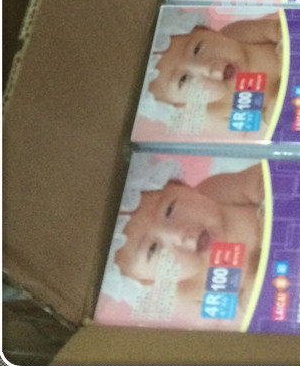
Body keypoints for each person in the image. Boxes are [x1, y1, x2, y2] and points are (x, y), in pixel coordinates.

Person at [114, 162, 266, 329]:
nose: (179, 234)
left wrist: (270, 212)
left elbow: (263, 179)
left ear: (182, 186)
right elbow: (236, 323)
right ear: (147, 281)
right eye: (153, 248)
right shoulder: (187, 294)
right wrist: (252, 292)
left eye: (169, 210)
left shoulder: (215, 192)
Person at [148, 16, 283, 135]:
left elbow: (281, 29)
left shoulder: (236, 34)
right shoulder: (217, 109)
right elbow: (263, 122)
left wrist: (286, 53)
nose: (207, 68)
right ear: (181, 104)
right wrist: (274, 110)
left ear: (208, 31)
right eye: (183, 79)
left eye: (197, 49)